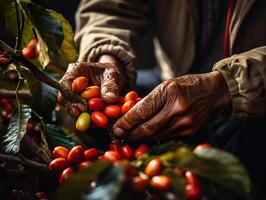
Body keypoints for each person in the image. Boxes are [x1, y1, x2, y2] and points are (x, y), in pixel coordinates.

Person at [58, 0, 266, 194]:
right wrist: (107, 57)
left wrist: (229, 86)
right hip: (171, 78)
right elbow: (110, 6)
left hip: (256, 103)